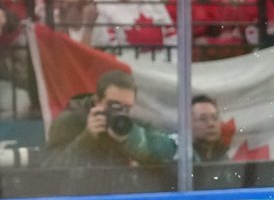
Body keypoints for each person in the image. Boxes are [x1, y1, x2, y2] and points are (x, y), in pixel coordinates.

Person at [42, 67, 176, 167]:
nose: (120, 112)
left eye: (126, 108)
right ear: (96, 101)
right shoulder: (70, 120)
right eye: (114, 105)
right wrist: (87, 138)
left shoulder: (129, 123)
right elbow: (50, 169)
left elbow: (169, 151)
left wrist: (131, 138)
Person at [189, 93, 230, 160]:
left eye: (215, 118)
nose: (211, 124)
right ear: (189, 124)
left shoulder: (224, 158)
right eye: (203, 119)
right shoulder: (182, 159)